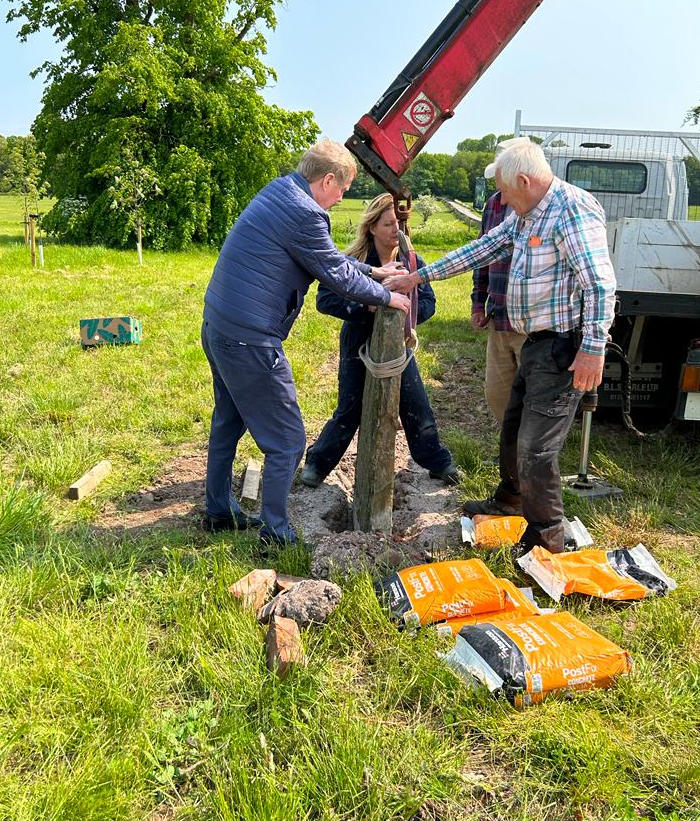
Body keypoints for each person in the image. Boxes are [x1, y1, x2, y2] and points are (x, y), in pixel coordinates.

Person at [384, 138, 616, 555]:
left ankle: (547, 537)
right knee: (512, 430)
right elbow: (483, 248)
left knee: (536, 447)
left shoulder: (571, 210)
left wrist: (593, 348)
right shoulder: (525, 216)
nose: (502, 200)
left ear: (524, 180)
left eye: (506, 192)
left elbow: (600, 284)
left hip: (564, 348)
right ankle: (509, 501)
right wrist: (418, 277)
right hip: (537, 344)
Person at [201, 139, 409, 546]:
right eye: (342, 189)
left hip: (220, 326)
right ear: (327, 179)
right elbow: (334, 273)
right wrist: (388, 296)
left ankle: (219, 511)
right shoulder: (306, 213)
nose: (342, 196)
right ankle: (276, 533)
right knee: (288, 440)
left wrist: (374, 271)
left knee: (229, 420)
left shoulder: (280, 192)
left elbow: (325, 257)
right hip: (250, 341)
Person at [301, 193, 459, 488]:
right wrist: (369, 308)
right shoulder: (354, 262)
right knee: (350, 406)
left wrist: (406, 317)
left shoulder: (412, 261)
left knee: (415, 403)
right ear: (372, 227)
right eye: (388, 224)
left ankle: (436, 461)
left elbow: (429, 303)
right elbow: (325, 300)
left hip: (398, 345)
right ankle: (317, 463)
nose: (395, 230)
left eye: (399, 223)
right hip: (358, 341)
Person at [472, 141, 527, 430]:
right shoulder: (493, 204)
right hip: (499, 315)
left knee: (531, 397)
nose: (501, 194)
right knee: (497, 394)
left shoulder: (546, 209)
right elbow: (481, 254)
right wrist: (478, 303)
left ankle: (525, 457)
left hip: (532, 324)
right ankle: (511, 451)